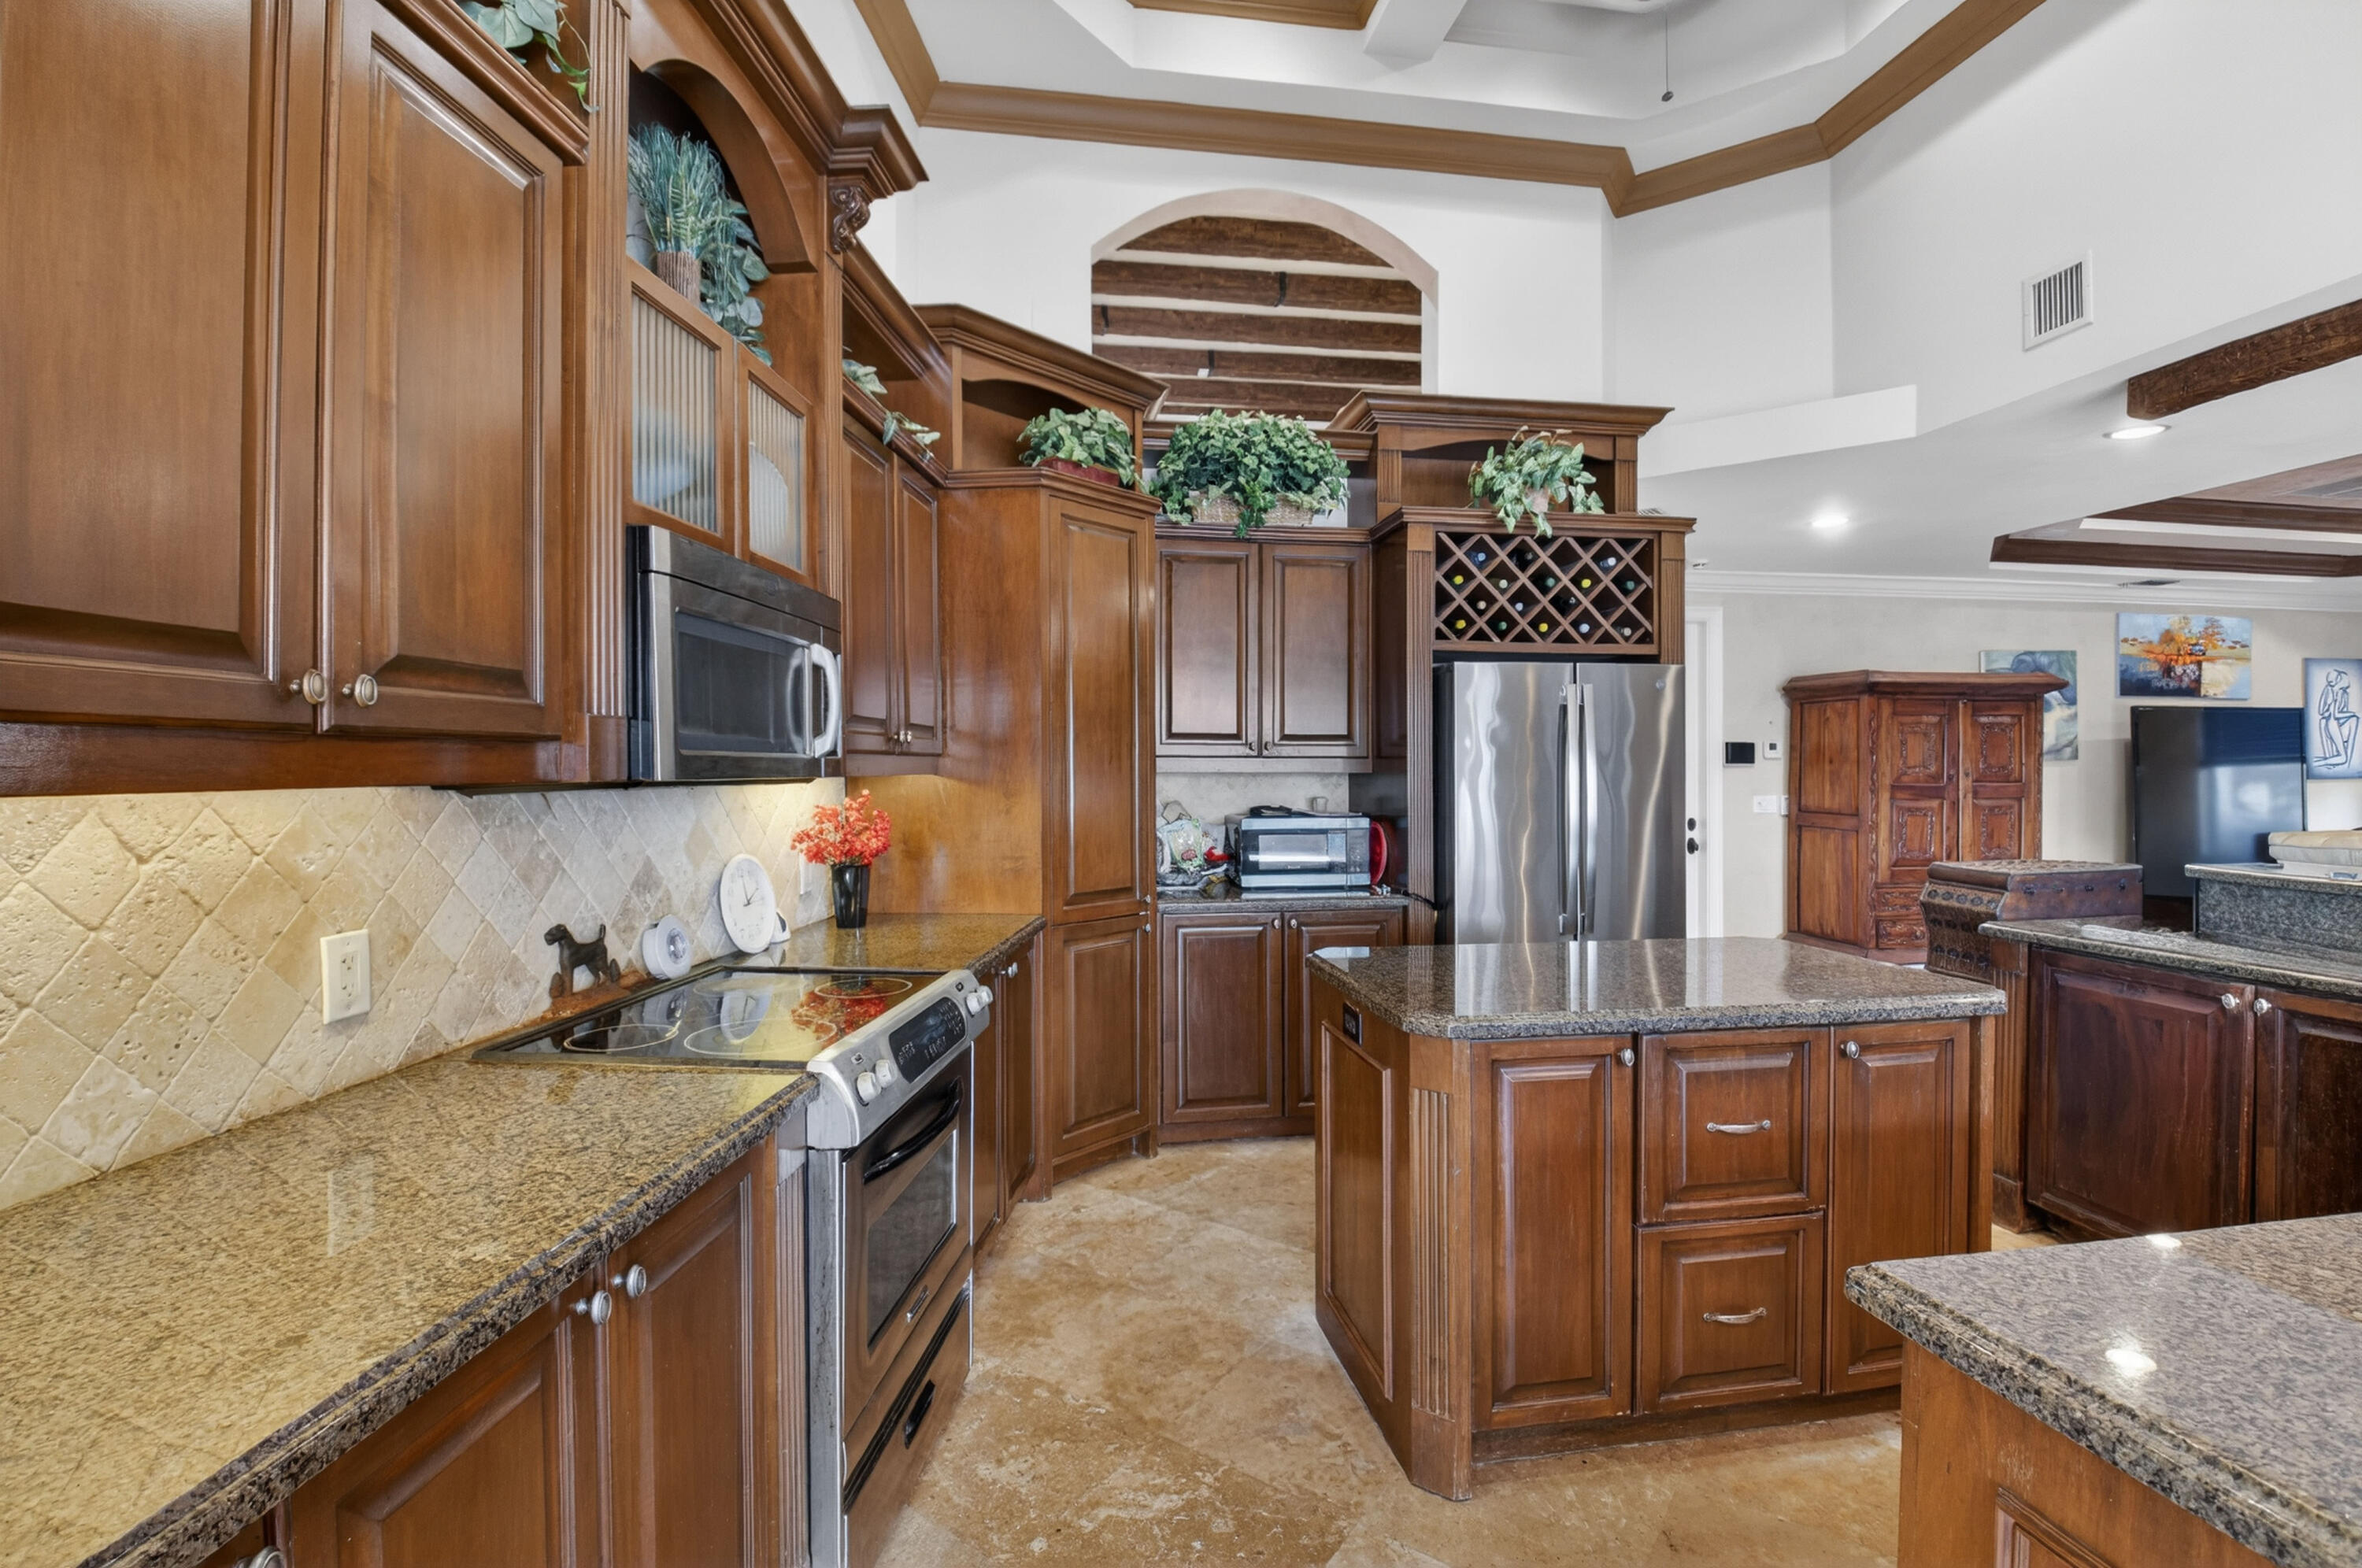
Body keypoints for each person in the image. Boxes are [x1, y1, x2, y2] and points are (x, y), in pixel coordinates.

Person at [2318, 668, 2359, 770]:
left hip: (2334, 723)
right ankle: (2317, 764)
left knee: (2354, 720)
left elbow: (2335, 712)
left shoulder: (2340, 692)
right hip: (2332, 724)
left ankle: (2319, 763)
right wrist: (2355, 713)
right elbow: (2335, 714)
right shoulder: (2335, 692)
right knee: (2343, 758)